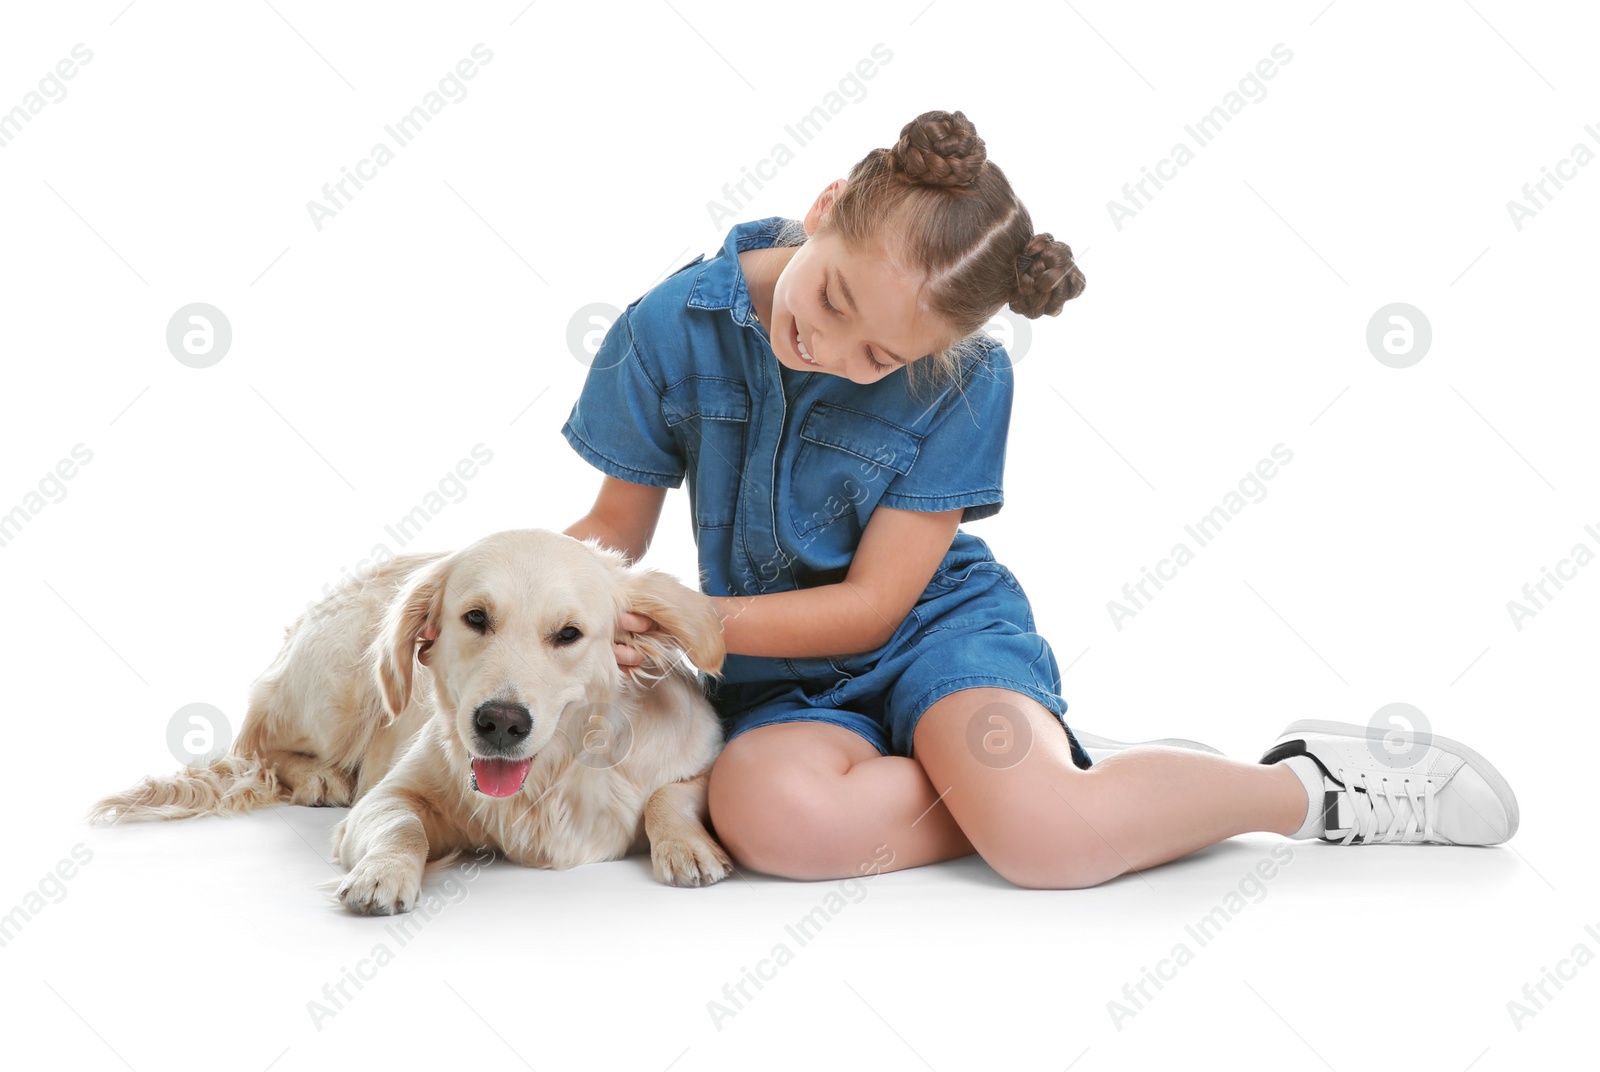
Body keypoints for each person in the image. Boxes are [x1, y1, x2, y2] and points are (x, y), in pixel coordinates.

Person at [558, 109, 1519, 888]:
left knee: (1045, 850)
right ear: (826, 204)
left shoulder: (968, 378)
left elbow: (877, 607)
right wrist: (521, 609)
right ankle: (1075, 781)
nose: (833, 353)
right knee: (770, 821)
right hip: (779, 670)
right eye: (838, 302)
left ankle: (1305, 789)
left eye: (881, 359)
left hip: (938, 632)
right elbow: (610, 535)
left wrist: (696, 619)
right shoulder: (664, 330)